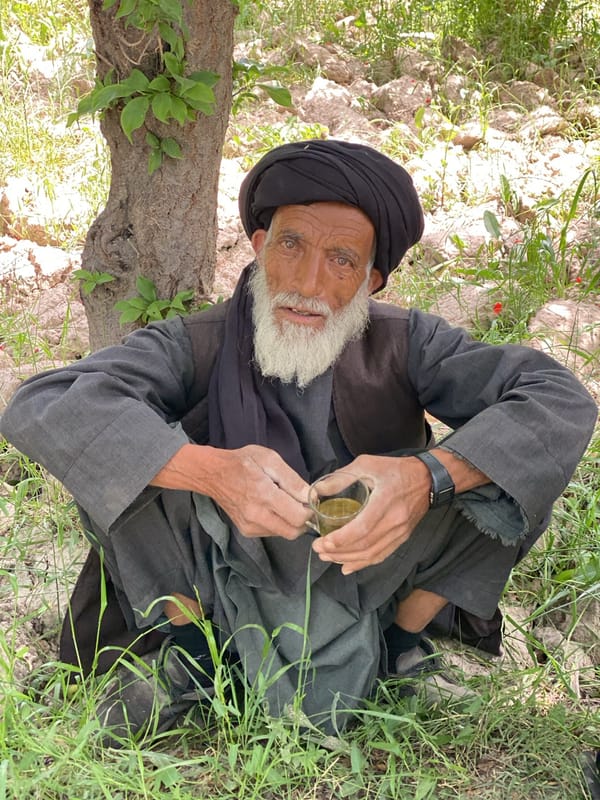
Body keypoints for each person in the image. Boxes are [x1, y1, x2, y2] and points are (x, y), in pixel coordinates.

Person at [0, 139, 596, 745]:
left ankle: (404, 648)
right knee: (119, 454)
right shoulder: (197, 342)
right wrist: (208, 471)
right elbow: (45, 404)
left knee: (510, 464)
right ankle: (193, 657)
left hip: (373, 569)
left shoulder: (408, 342)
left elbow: (558, 401)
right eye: (291, 245)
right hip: (222, 571)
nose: (309, 281)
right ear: (259, 248)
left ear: (372, 278)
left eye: (342, 259)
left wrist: (423, 480)